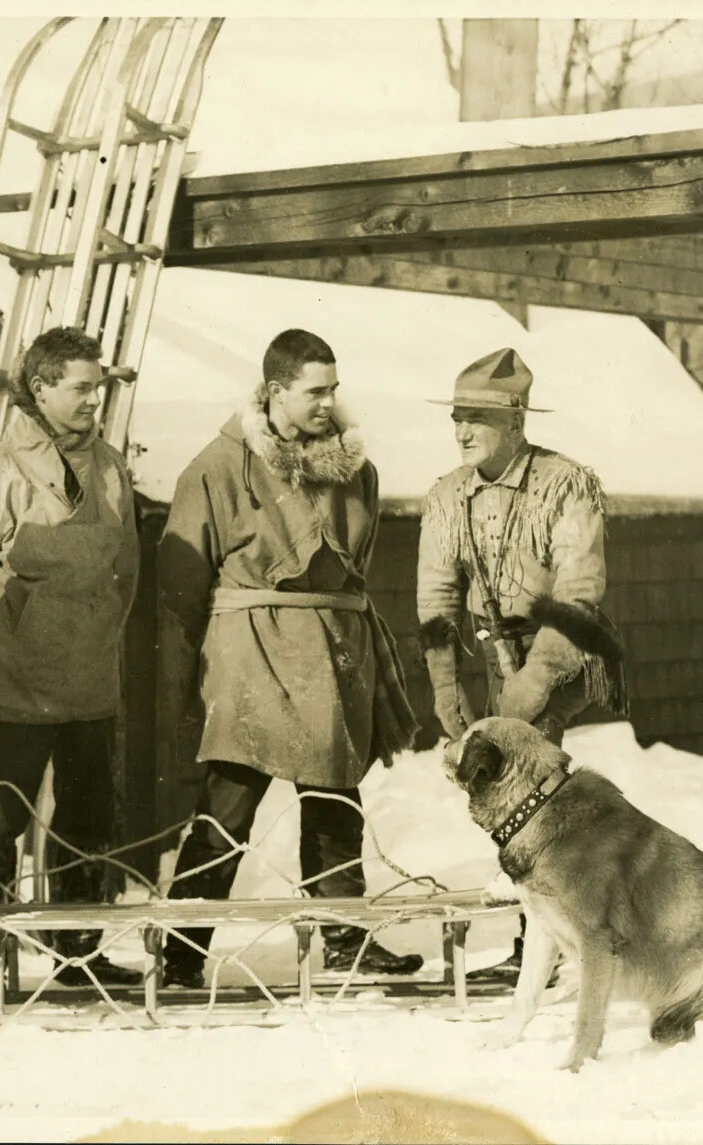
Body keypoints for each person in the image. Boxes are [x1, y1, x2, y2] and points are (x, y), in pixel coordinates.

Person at [158, 328, 423, 990]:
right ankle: (181, 951)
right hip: (249, 657)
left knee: (336, 802)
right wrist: (185, 678)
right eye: (314, 390)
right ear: (274, 393)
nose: (328, 402)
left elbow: (354, 567)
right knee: (228, 805)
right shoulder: (216, 469)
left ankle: (342, 937)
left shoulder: (355, 471)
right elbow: (179, 586)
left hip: (329, 656)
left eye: (334, 389)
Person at [0, 326, 143, 990]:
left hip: (89, 674)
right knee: (2, 810)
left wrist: (97, 631)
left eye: (98, 388)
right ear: (41, 388)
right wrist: (10, 642)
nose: (94, 401)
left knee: (86, 813)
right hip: (16, 677)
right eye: (81, 388)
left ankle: (77, 949)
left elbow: (126, 569)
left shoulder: (111, 467)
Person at [416, 346, 626, 985]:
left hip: (556, 653)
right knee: (503, 791)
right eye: (457, 416)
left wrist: (529, 687)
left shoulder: (563, 484)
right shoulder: (448, 494)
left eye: (479, 417)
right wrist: (445, 687)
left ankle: (548, 947)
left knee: (532, 790)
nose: (464, 431)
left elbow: (579, 593)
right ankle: (547, 935)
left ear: (516, 422)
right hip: (490, 651)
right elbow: (435, 595)